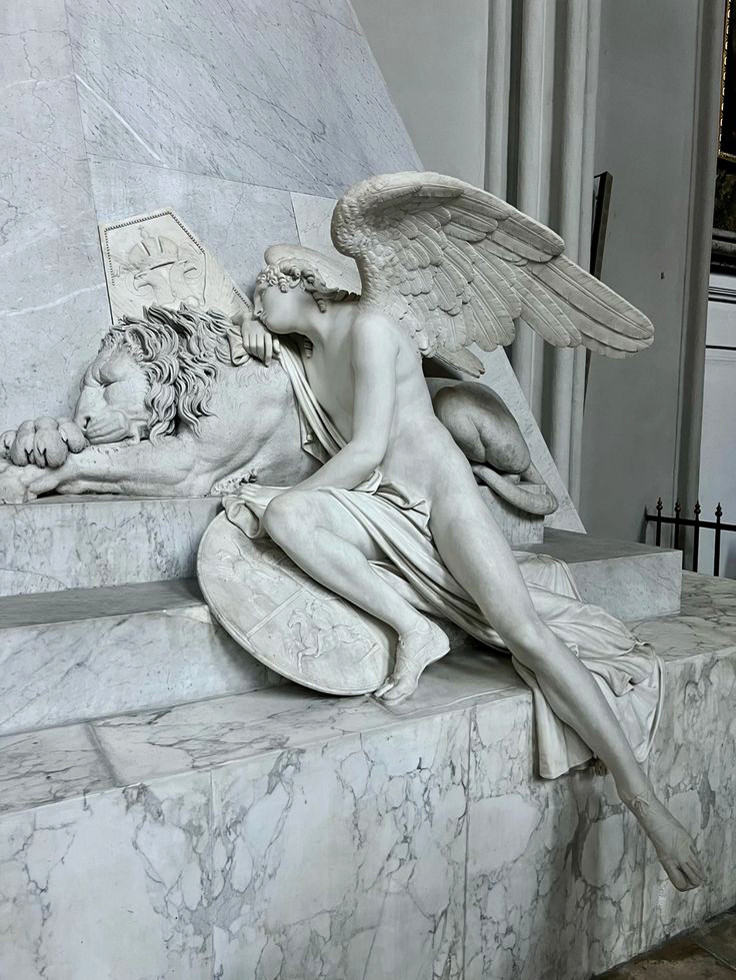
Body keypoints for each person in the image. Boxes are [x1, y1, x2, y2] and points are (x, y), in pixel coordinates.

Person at [230, 260, 704, 892]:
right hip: (381, 505)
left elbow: (368, 449)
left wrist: (274, 507)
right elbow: (267, 355)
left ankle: (646, 803)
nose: (256, 301)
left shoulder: (370, 327)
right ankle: (413, 629)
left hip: (439, 497)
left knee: (525, 633)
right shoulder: (306, 355)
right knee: (291, 516)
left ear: (297, 284)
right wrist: (247, 326)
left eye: (262, 291)